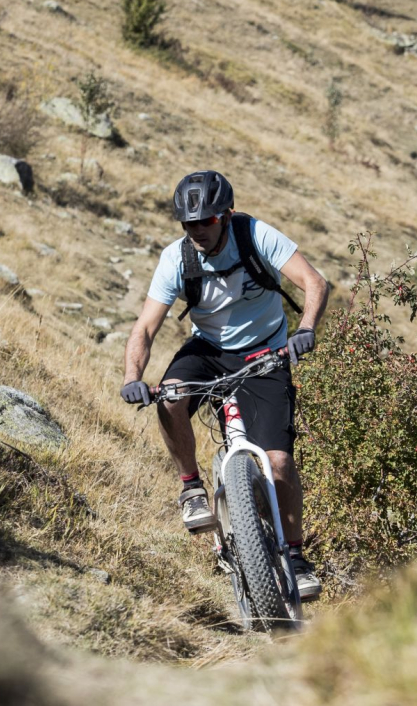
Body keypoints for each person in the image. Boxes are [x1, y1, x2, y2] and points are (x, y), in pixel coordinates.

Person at [121, 170, 329, 600]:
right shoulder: (177, 258)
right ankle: (191, 488)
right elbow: (145, 327)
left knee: (279, 464)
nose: (197, 231)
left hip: (266, 353)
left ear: (226, 215)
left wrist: (305, 329)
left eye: (206, 222)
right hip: (209, 350)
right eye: (188, 224)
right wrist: (132, 378)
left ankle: (295, 556)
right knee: (171, 397)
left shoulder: (255, 236)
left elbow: (314, 282)